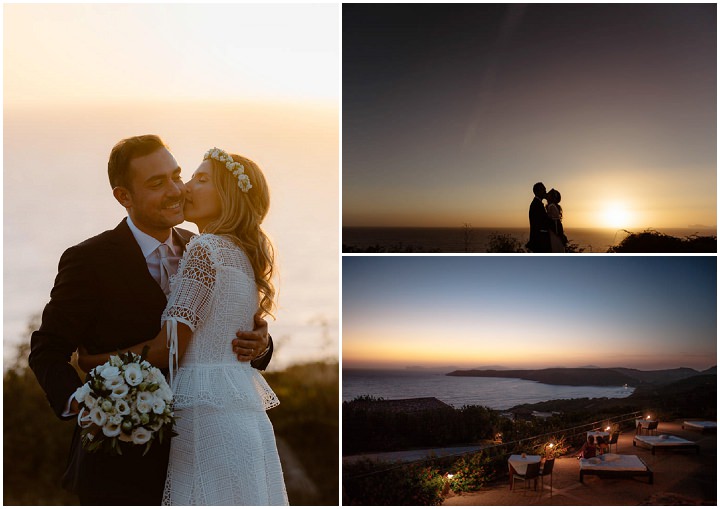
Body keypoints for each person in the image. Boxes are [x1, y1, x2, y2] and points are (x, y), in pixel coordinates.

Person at [29, 135, 273, 505]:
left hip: (200, 447)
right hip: (120, 465)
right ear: (124, 196)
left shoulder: (205, 245)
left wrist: (262, 344)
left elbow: (224, 331)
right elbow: (47, 352)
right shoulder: (88, 261)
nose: (177, 190)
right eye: (157, 184)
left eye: (177, 176)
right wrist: (84, 406)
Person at [525, 182, 552, 253]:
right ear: (537, 192)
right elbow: (543, 223)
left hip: (540, 241)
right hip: (540, 241)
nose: (545, 191)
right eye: (543, 189)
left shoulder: (537, 203)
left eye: (545, 189)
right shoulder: (536, 205)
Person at [546, 188, 567, 253]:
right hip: (554, 234)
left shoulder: (551, 206)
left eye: (549, 194)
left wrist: (561, 236)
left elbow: (557, 223)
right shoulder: (552, 206)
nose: (547, 194)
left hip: (554, 235)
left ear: (552, 197)